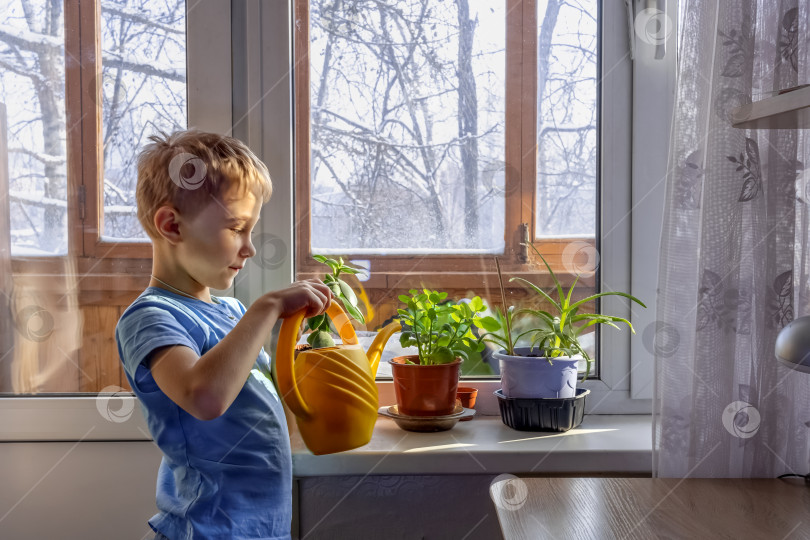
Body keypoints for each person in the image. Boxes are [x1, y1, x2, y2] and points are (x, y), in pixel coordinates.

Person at [115, 129, 331, 540]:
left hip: (261, 529)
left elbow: (262, 404)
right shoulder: (149, 317)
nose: (249, 247)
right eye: (236, 229)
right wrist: (267, 308)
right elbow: (205, 397)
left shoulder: (230, 313)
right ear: (172, 226)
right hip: (205, 529)